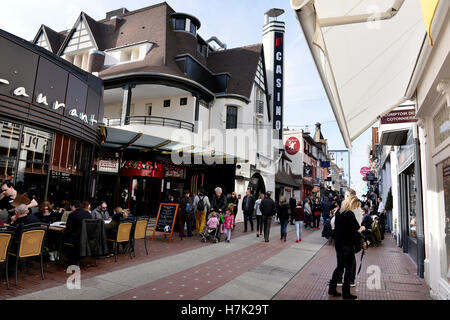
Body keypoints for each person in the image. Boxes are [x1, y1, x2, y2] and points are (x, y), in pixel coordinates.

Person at [328, 196, 365, 300]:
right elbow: (357, 228)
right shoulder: (349, 214)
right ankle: (346, 293)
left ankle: (332, 289)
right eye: (356, 206)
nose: (356, 208)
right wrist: (363, 228)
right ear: (352, 204)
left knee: (339, 266)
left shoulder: (339, 212)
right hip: (348, 244)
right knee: (349, 267)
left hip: (338, 243)